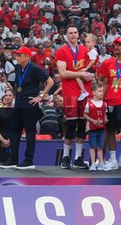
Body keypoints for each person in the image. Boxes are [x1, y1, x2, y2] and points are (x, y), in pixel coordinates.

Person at [1, 46, 53, 170]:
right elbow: (18, 84)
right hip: (18, 101)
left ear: (27, 57)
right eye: (16, 55)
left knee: (30, 132)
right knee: (14, 131)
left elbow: (50, 82)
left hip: (30, 103)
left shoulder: (35, 68)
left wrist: (41, 96)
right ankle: (13, 159)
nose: (16, 57)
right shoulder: (18, 68)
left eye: (19, 55)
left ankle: (28, 160)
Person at [56, 25, 94, 169]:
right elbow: (63, 73)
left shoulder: (85, 50)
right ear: (66, 35)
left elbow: (92, 70)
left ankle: (78, 158)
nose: (73, 35)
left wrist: (90, 75)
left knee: (82, 127)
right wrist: (80, 74)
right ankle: (66, 157)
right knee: (70, 125)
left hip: (86, 91)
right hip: (70, 92)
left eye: (75, 32)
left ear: (79, 35)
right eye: (70, 33)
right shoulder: (61, 51)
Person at [98, 37, 121, 170]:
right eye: (115, 45)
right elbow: (103, 82)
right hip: (111, 101)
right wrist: (101, 100)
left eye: (120, 45)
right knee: (110, 131)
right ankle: (112, 160)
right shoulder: (108, 63)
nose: (117, 47)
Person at [84, 83, 110, 171]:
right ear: (94, 92)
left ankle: (101, 163)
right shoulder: (89, 104)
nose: (102, 93)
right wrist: (93, 121)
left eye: (102, 91)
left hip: (101, 128)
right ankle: (93, 164)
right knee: (92, 146)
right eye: (100, 91)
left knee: (100, 146)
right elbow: (85, 115)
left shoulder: (104, 104)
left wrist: (105, 119)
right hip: (92, 129)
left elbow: (104, 114)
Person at [0, 89, 15, 167]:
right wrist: (2, 140)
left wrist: (10, 140)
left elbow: (19, 127)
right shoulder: (0, 111)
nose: (8, 97)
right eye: (6, 95)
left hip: (14, 137)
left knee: (12, 161)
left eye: (10, 95)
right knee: (1, 162)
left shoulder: (17, 110)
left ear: (13, 97)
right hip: (1, 137)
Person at [75, 34, 98, 101]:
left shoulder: (93, 51)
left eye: (88, 42)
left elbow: (93, 61)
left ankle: (83, 91)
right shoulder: (91, 51)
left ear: (94, 43)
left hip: (90, 70)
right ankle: (83, 91)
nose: (86, 44)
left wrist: (86, 68)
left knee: (77, 76)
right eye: (85, 42)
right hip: (91, 70)